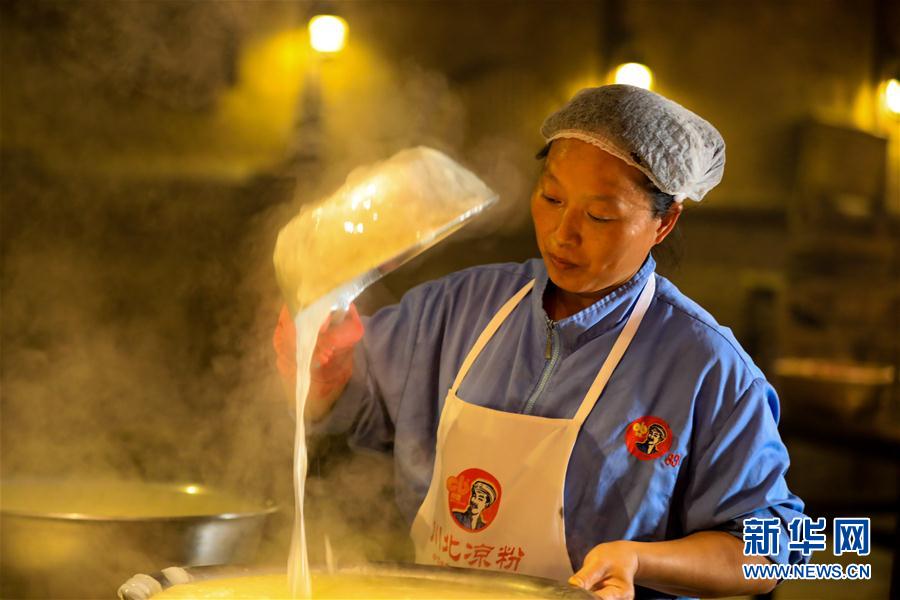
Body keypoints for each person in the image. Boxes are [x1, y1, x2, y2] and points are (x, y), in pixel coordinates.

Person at [274, 85, 807, 599]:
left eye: (599, 215)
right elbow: (348, 406)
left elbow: (772, 549)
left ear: (664, 223)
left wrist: (640, 560)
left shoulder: (708, 366)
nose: (561, 234)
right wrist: (325, 367)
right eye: (551, 197)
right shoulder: (457, 307)